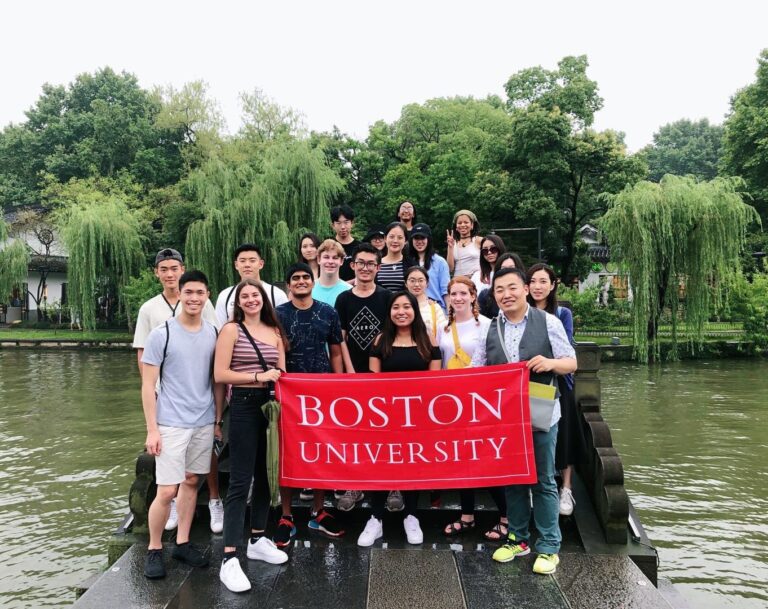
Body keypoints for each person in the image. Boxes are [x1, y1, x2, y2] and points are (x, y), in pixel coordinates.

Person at [471, 267, 577, 575]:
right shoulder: (490, 328)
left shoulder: (549, 322)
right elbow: (479, 368)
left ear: (526, 290)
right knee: (512, 477)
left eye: (512, 287)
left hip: (542, 410)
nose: (506, 294)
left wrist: (551, 363)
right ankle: (518, 538)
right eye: (500, 290)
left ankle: (549, 546)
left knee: (544, 479)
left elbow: (572, 362)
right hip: (504, 416)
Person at [140, 270, 224, 580]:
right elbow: (148, 384)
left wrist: (217, 420)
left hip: (203, 421)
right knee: (166, 490)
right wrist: (152, 428)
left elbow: (216, 381)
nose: (194, 298)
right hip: (171, 422)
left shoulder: (214, 333)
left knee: (192, 481)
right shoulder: (162, 333)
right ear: (181, 294)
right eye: (188, 292)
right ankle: (153, 548)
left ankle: (183, 542)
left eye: (200, 293)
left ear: (207, 295)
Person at [214, 280, 289, 593]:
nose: (250, 299)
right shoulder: (231, 330)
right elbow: (220, 374)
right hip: (244, 404)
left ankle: (258, 537)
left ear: (264, 299)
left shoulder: (274, 332)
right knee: (240, 480)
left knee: (266, 475)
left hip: (270, 409)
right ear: (238, 302)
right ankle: (229, 556)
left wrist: (274, 379)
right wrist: (257, 376)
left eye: (255, 295)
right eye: (244, 296)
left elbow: (283, 373)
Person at [358, 291, 442, 547]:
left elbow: (434, 382)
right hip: (385, 418)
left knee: (413, 465)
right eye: (396, 307)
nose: (401, 311)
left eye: (407, 306)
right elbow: (372, 382)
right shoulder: (381, 340)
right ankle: (375, 518)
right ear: (390, 312)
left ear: (415, 311)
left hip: (418, 417)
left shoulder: (428, 341)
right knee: (381, 465)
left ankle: (411, 516)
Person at [274, 263, 345, 545]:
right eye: (295, 278)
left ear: (312, 282)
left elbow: (337, 352)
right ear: (288, 284)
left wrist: (341, 386)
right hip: (289, 394)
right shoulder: (277, 315)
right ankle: (287, 514)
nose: (301, 281)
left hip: (323, 392)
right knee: (288, 452)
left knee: (321, 452)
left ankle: (319, 510)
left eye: (305, 277)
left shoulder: (328, 312)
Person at [436, 277, 505, 539]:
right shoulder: (443, 328)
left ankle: (505, 516)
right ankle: (466, 515)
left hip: (480, 401)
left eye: (464, 293)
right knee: (461, 459)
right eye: (454, 294)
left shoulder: (487, 325)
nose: (458, 298)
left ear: (473, 296)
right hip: (451, 403)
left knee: (487, 459)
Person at [333, 243, 392, 511]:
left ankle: (392, 485)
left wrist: (375, 370)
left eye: (371, 264)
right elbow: (341, 338)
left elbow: (391, 335)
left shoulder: (387, 297)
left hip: (382, 375)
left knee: (386, 433)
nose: (365, 268)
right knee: (355, 433)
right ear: (353, 265)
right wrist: (349, 372)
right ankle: (354, 484)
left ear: (378, 268)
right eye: (361, 263)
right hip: (353, 375)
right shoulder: (343, 299)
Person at [526, 263, 584, 517]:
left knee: (564, 435)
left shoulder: (561, 314)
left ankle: (567, 487)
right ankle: (534, 484)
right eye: (533, 282)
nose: (538, 287)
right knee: (534, 435)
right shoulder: (520, 314)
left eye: (543, 281)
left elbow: (567, 351)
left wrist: (549, 361)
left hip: (558, 381)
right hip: (531, 385)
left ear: (552, 285)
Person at [215, 244, 289, 327]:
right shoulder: (225, 295)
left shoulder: (276, 294)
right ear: (236, 265)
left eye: (252, 260)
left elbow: (285, 327)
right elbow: (220, 328)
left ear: (261, 264)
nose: (247, 265)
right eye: (242, 261)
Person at [408, 223, 449, 310]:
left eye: (422, 238)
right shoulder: (407, 261)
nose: (419, 241)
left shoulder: (440, 262)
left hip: (436, 309)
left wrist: (450, 316)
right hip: (412, 309)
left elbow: (446, 291)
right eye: (416, 238)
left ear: (428, 239)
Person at [478, 252, 526, 319]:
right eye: (503, 268)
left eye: (512, 268)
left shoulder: (527, 294)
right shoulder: (485, 296)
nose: (507, 272)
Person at [405, 266, 446, 341]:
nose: (416, 284)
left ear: (427, 283)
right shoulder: (401, 307)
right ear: (406, 283)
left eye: (421, 280)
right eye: (412, 280)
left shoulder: (435, 307)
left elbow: (442, 333)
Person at [311, 239, 352, 307]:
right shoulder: (309, 289)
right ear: (318, 259)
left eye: (335, 258)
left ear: (341, 261)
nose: (330, 262)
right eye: (326, 257)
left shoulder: (349, 291)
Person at [446, 209, 483, 278]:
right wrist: (450, 247)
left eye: (466, 222)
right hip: (458, 282)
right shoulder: (453, 243)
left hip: (476, 280)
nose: (463, 225)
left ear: (472, 225)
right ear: (456, 227)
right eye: (459, 223)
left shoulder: (479, 240)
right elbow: (450, 268)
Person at [376, 222, 410, 292]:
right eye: (391, 237)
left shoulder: (411, 264)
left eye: (400, 237)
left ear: (405, 241)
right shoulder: (375, 263)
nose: (395, 241)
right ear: (385, 238)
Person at [331, 204, 359, 282]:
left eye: (346, 222)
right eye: (338, 223)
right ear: (333, 225)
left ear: (352, 223)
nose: (343, 227)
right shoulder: (328, 246)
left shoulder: (360, 247)